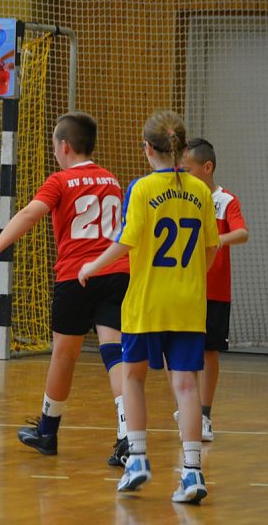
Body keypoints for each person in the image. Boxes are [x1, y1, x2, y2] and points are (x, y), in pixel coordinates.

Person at [0, 112, 130, 464]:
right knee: (114, 354)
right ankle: (126, 436)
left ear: (64, 146)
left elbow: (28, 215)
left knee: (64, 354)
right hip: (116, 272)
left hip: (76, 275)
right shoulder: (112, 180)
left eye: (55, 147)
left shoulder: (59, 180)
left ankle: (47, 431)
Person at [78, 111, 218, 504]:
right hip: (188, 304)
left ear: (146, 149)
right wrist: (188, 281)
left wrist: (91, 265)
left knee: (134, 378)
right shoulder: (202, 191)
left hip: (146, 302)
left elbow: (125, 241)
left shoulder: (141, 189)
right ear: (183, 148)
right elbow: (210, 249)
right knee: (187, 385)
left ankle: (137, 460)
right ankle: (192, 473)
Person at [172, 137, 248, 441]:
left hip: (214, 290)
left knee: (209, 352)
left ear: (207, 167)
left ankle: (204, 415)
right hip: (181, 287)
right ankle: (185, 405)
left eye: (188, 170)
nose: (183, 175)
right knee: (175, 348)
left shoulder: (225, 200)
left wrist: (216, 241)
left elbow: (242, 232)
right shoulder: (180, 198)